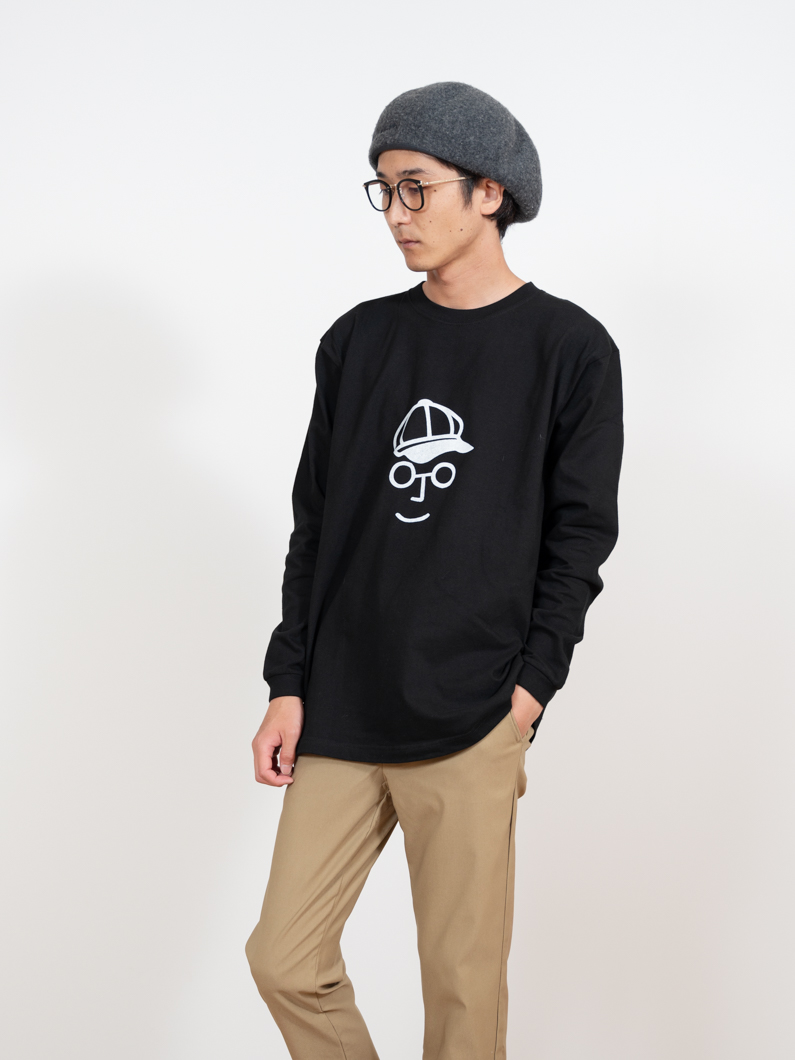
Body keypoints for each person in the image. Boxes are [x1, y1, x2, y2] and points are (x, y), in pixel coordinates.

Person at [245, 80, 624, 1059]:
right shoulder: (358, 341)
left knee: (461, 990)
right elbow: (316, 526)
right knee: (283, 957)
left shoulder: (569, 349)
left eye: (417, 187)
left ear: (489, 191)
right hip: (342, 703)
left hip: (473, 708)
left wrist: (531, 687)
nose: (397, 214)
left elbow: (579, 539)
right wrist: (288, 681)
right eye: (385, 190)